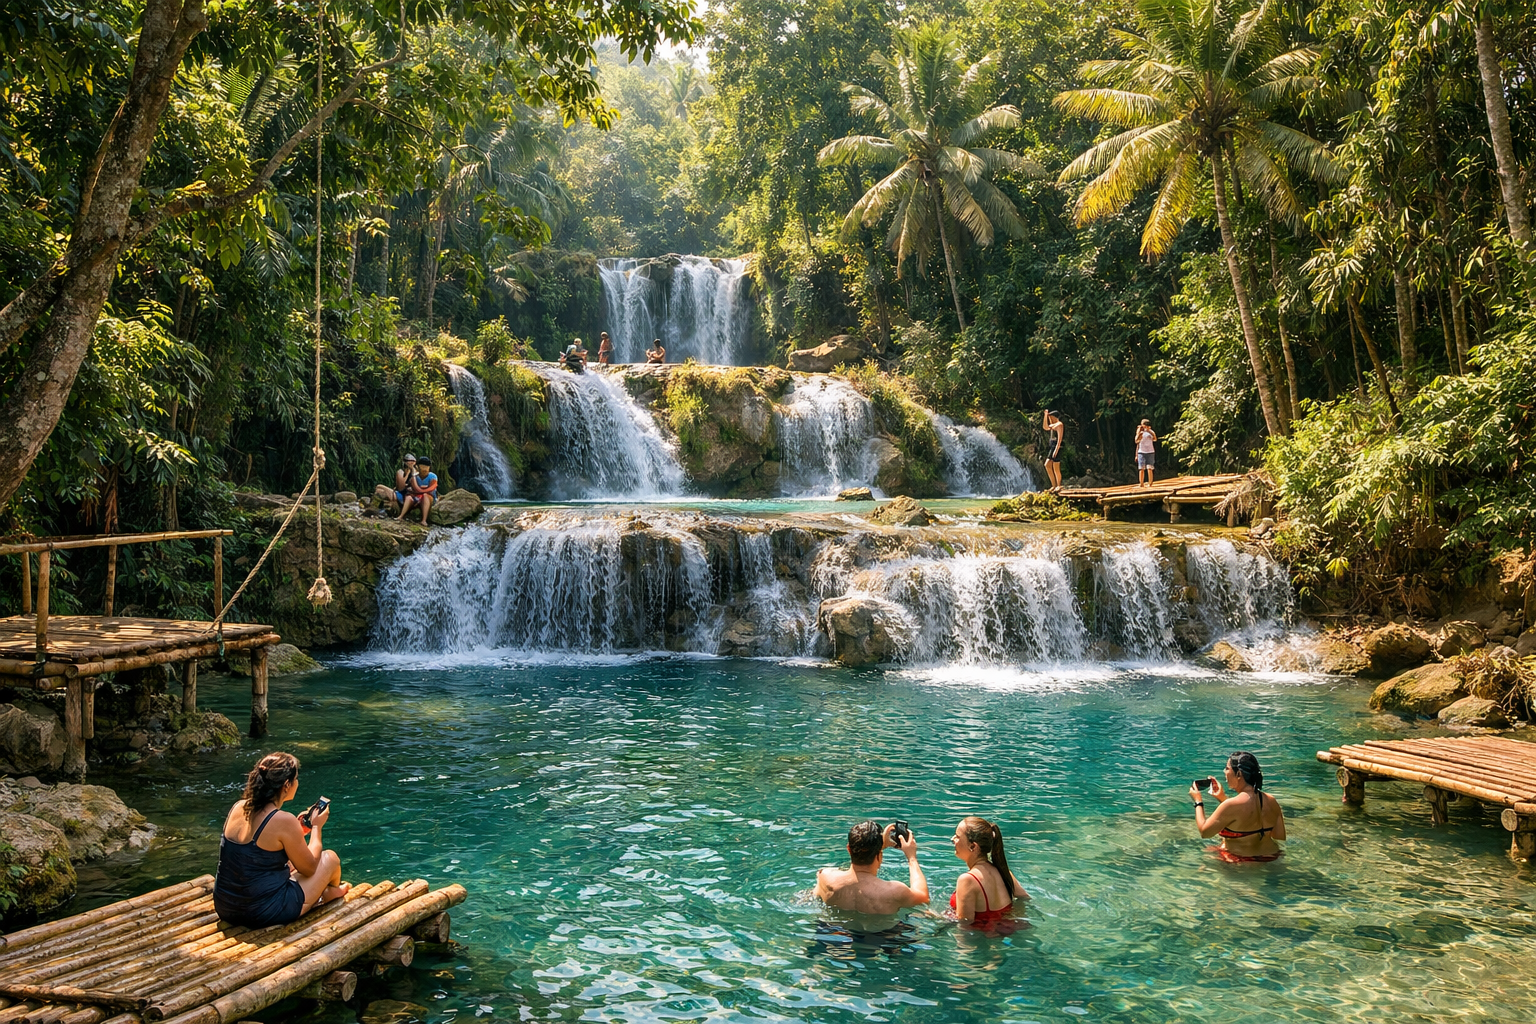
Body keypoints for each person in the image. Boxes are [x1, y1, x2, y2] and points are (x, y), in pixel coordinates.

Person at [213, 752, 347, 927]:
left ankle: (324, 894)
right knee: (330, 859)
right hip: (261, 912)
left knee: (291, 865)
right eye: (296, 778)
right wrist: (316, 827)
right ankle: (328, 893)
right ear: (286, 785)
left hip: (225, 906)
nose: (297, 783)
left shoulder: (238, 807)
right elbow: (310, 868)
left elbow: (255, 855)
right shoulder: (282, 820)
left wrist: (298, 832)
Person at [816, 820, 929, 916]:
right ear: (880, 854)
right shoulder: (894, 891)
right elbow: (923, 898)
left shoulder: (825, 877)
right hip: (877, 938)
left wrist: (878, 848)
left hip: (833, 934)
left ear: (848, 849)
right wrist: (912, 857)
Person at [1190, 751, 1287, 863]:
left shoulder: (1230, 805)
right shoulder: (1271, 800)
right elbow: (1280, 837)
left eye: (1227, 768)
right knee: (1212, 849)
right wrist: (1222, 798)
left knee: (1203, 859)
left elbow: (1204, 832)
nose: (1224, 772)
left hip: (1239, 862)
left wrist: (1198, 801)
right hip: (1271, 857)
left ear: (1239, 774)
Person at [949, 817, 1025, 927]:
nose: (953, 839)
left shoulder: (967, 879)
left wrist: (937, 917)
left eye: (958, 837)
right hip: (1004, 934)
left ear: (972, 846)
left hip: (980, 940)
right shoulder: (1004, 872)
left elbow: (964, 924)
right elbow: (1024, 898)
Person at [397, 456, 438, 525]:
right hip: (416, 497)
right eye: (422, 467)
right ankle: (401, 516)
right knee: (409, 497)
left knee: (425, 496)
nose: (424, 469)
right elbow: (411, 487)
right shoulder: (415, 477)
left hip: (428, 498)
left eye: (426, 467)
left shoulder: (432, 476)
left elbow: (432, 488)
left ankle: (424, 520)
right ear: (418, 467)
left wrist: (421, 489)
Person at [1042, 410, 1065, 492]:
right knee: (1047, 464)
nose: (1050, 420)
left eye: (1051, 418)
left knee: (1056, 467)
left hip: (1057, 446)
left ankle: (1059, 485)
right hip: (1052, 447)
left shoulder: (1059, 425)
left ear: (1055, 417)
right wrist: (1045, 416)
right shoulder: (1053, 425)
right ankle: (1053, 485)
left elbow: (1060, 438)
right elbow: (1045, 427)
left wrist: (1056, 449)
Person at [1135, 419, 1157, 486]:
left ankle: (1150, 483)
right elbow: (1136, 441)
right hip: (1141, 451)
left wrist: (1149, 431)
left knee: (1149, 468)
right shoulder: (1139, 431)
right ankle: (1141, 483)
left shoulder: (1151, 431)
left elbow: (1155, 439)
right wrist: (1139, 434)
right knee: (1141, 468)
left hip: (1150, 451)